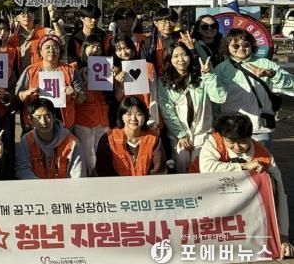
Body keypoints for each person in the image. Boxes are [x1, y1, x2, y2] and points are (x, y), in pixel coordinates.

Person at [198, 113, 292, 259]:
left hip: (245, 202)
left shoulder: (264, 156)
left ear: (250, 137)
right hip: (210, 196)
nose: (237, 147)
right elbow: (207, 168)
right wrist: (244, 166)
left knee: (271, 181)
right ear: (222, 136)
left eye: (242, 142)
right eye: (231, 142)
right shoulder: (214, 142)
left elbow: (280, 195)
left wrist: (283, 237)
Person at [214, 28, 294, 149]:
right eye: (235, 45)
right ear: (227, 47)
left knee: (261, 160)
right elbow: (214, 100)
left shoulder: (266, 64)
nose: (241, 48)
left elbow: (291, 84)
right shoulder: (221, 69)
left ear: (251, 44)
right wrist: (216, 123)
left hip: (260, 127)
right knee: (234, 161)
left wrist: (271, 74)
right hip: (232, 128)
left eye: (245, 44)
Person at [157, 42, 226, 173]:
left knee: (200, 165)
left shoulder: (201, 77)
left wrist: (208, 76)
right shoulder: (164, 82)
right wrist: (181, 134)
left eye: (184, 55)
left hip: (203, 132)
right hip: (179, 134)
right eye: (175, 56)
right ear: (169, 59)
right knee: (182, 161)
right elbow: (167, 110)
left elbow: (219, 98)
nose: (181, 59)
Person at [15, 34, 84, 133]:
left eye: (55, 47)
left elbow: (82, 98)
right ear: (40, 52)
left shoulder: (70, 71)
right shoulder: (30, 70)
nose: (51, 50)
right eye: (47, 47)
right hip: (36, 122)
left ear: (60, 51)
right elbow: (17, 96)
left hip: (64, 123)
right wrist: (27, 92)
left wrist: (74, 94)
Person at [15, 98, 85, 179]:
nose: (43, 122)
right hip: (35, 186)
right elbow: (22, 170)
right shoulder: (26, 141)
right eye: (38, 117)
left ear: (54, 116)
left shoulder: (72, 143)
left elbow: (78, 174)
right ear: (30, 120)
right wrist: (40, 185)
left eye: (47, 116)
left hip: (65, 186)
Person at [95, 97, 166, 176]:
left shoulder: (153, 138)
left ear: (145, 116)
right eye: (129, 114)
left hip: (147, 183)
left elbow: (159, 171)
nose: (133, 118)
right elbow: (103, 171)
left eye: (138, 114)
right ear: (121, 116)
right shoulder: (108, 139)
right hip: (117, 183)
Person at [74, 35, 111, 175]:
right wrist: (82, 80)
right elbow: (75, 95)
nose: (96, 50)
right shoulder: (74, 67)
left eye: (99, 47)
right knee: (87, 158)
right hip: (84, 119)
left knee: (101, 155)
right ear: (84, 48)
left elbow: (111, 95)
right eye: (92, 46)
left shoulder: (106, 66)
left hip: (103, 118)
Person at [110, 33, 159, 124]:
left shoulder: (148, 67)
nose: (123, 53)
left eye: (126, 48)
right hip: (126, 116)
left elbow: (154, 94)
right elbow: (117, 99)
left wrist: (154, 118)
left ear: (132, 48)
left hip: (145, 113)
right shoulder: (115, 70)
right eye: (119, 49)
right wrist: (120, 85)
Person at [8, 5, 64, 70]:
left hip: (41, 74)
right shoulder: (13, 37)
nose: (26, 15)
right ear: (17, 17)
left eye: (30, 12)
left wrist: (54, 20)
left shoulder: (44, 32)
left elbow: (61, 40)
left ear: (34, 15)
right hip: (20, 75)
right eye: (22, 13)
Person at [140, 7, 181, 74]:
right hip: (154, 77)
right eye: (164, 21)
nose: (168, 25)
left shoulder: (181, 40)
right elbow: (142, 63)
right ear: (156, 23)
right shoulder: (148, 42)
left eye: (172, 21)